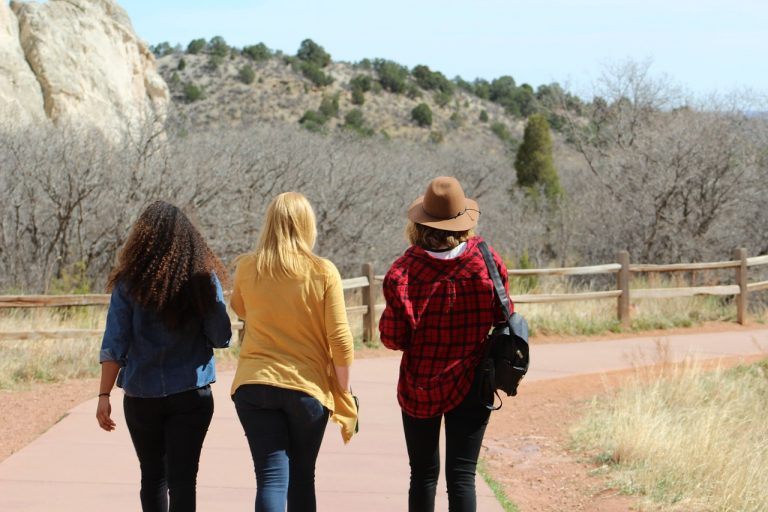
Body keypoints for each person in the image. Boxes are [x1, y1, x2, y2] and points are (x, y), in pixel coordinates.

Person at [379, 176, 510, 512]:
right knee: (462, 474)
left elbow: (393, 339)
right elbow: (504, 313)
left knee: (422, 474)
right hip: (474, 379)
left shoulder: (403, 272)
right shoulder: (486, 261)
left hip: (419, 384)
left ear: (420, 223)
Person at [96, 200, 232, 512]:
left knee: (152, 477)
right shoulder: (203, 279)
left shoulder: (128, 283)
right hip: (191, 393)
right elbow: (221, 337)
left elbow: (115, 342)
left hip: (142, 396)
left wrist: (104, 394)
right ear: (190, 239)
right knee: (183, 480)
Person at [230, 191, 356, 512]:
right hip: (307, 389)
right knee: (302, 477)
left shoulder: (247, 267)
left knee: (270, 478)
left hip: (254, 385)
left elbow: (240, 308)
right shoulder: (323, 271)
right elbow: (340, 338)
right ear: (307, 225)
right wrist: (342, 389)